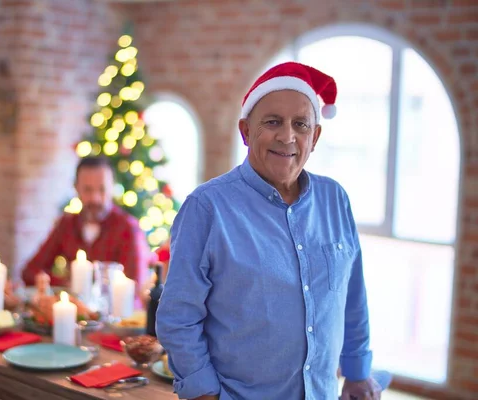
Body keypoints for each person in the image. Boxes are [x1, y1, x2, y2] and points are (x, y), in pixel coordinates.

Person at [156, 62, 381, 400]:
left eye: (300, 124)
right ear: (246, 131)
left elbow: (352, 295)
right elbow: (178, 316)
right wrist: (203, 393)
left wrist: (357, 372)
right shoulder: (206, 208)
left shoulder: (335, 199)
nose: (287, 136)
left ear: (315, 136)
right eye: (272, 122)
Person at [22, 156, 150, 293]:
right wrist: (65, 284)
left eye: (102, 189)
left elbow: (134, 286)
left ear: (112, 187)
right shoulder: (66, 224)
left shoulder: (129, 228)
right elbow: (30, 271)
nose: (95, 198)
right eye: (88, 190)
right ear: (76, 189)